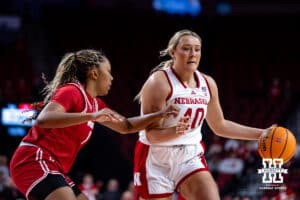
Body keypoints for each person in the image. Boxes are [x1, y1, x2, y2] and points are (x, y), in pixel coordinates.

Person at [9, 49, 188, 200]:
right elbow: (44, 119)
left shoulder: (96, 105)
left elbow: (126, 126)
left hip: (55, 168)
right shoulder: (71, 91)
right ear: (94, 73)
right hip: (33, 159)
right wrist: (91, 116)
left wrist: (160, 114)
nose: (111, 78)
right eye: (108, 71)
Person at [133, 29, 272, 200]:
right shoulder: (159, 83)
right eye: (186, 48)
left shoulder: (208, 83)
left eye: (197, 49)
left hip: (189, 156)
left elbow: (220, 125)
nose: (193, 54)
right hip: (155, 157)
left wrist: (261, 134)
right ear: (173, 52)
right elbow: (151, 135)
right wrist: (175, 131)